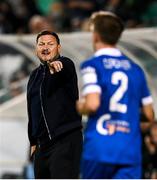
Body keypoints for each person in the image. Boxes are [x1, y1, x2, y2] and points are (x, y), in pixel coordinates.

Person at [76, 11, 155, 179]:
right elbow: (149, 114)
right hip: (130, 150)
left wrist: (79, 106)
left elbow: (92, 104)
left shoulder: (92, 65)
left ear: (95, 36)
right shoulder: (136, 70)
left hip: (99, 149)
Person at [27, 30, 83, 179]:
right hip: (41, 146)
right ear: (36, 48)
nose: (45, 47)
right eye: (41, 44)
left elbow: (63, 66)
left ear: (59, 48)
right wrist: (33, 141)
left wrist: (57, 64)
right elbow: (32, 109)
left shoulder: (66, 64)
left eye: (50, 44)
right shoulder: (34, 75)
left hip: (65, 140)